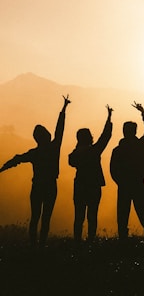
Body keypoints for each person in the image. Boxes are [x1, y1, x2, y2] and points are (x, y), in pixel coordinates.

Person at [0, 95, 71, 247]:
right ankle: (42, 244)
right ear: (46, 136)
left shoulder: (35, 153)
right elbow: (60, 129)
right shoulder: (54, 148)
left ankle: (33, 245)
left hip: (37, 186)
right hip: (50, 186)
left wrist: (2, 169)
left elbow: (16, 159)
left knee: (35, 217)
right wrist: (64, 109)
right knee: (46, 217)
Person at [68, 105, 113, 243]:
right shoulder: (94, 151)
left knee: (79, 216)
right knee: (92, 215)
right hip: (93, 186)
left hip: (80, 185)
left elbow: (71, 162)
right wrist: (109, 118)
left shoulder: (74, 154)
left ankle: (77, 241)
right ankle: (91, 241)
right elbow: (106, 136)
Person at [110, 102, 144, 241]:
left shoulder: (118, 150)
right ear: (134, 131)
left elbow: (113, 170)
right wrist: (143, 112)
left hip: (124, 185)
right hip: (137, 183)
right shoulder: (139, 146)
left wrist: (120, 181)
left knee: (123, 214)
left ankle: (123, 239)